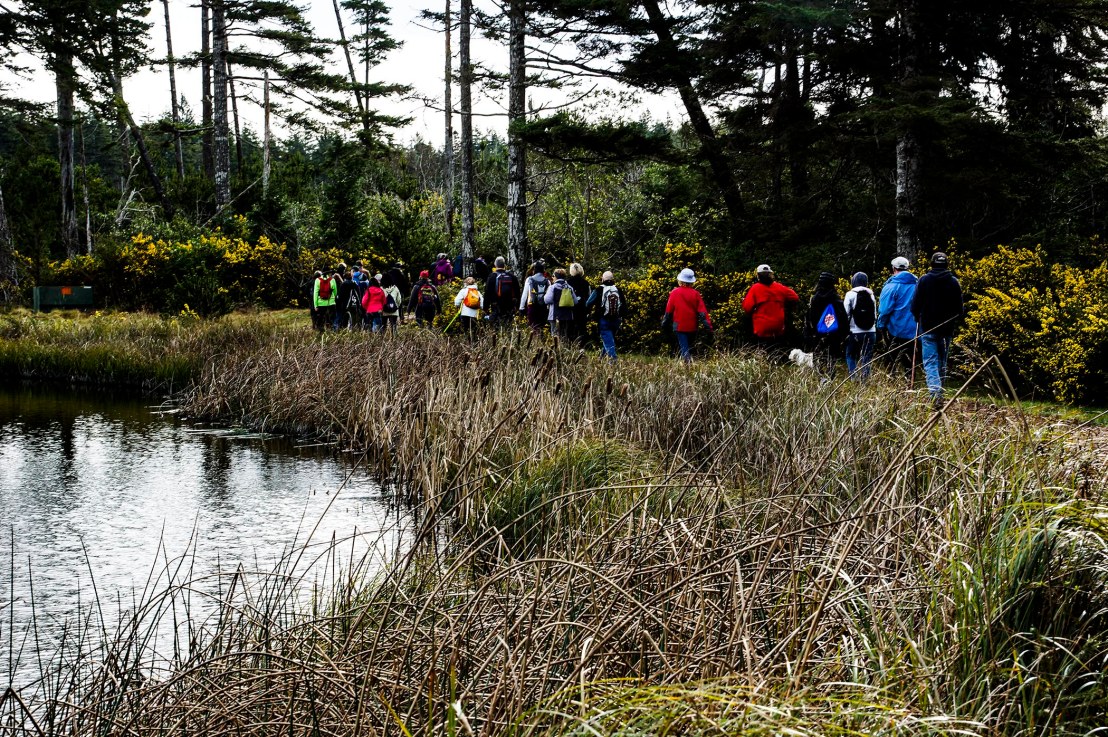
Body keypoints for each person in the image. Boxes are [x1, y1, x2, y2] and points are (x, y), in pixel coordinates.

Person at [911, 252, 964, 407]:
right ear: (946, 264)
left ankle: (936, 394)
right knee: (942, 362)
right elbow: (960, 310)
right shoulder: (954, 282)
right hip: (946, 330)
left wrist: (917, 318)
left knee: (930, 362)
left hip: (928, 329)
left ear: (932, 264)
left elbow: (915, 305)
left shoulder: (924, 280)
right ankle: (939, 392)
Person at [741, 264, 799, 359]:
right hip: (778, 327)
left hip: (762, 328)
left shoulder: (755, 288)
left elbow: (747, 308)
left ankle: (765, 363)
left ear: (758, 275)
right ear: (770, 274)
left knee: (763, 349)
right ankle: (777, 362)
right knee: (776, 349)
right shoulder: (780, 287)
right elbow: (795, 297)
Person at [876, 256, 919, 377]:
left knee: (891, 360)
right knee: (910, 362)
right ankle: (909, 386)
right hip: (913, 330)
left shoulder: (891, 286)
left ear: (893, 268)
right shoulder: (917, 285)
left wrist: (880, 325)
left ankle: (891, 383)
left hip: (894, 329)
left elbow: (884, 310)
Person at [803, 271, 847, 379]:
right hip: (833, 335)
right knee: (831, 359)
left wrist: (809, 334)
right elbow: (842, 317)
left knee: (818, 358)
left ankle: (821, 380)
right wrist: (844, 334)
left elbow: (810, 318)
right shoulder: (835, 298)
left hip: (817, 335)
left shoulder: (814, 298)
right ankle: (830, 379)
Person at [663, 268, 713, 363]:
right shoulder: (696, 294)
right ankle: (690, 367)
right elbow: (703, 313)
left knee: (684, 348)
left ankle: (687, 368)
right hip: (692, 326)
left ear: (680, 280)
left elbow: (668, 311)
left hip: (679, 326)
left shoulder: (674, 293)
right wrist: (709, 328)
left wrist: (664, 323)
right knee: (689, 347)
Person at [843, 272, 878, 380]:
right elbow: (875, 315)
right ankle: (865, 380)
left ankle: (854, 378)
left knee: (850, 355)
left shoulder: (850, 294)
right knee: (866, 357)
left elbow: (846, 314)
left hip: (854, 332)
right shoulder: (871, 295)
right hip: (870, 331)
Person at [586, 270, 626, 360]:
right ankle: (602, 358)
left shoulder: (599, 290)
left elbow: (588, 303)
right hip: (616, 319)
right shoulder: (618, 290)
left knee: (608, 340)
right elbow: (624, 305)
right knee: (609, 339)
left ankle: (613, 360)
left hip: (604, 319)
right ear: (613, 279)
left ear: (602, 279)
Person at [484, 256, 520, 329]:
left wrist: (485, 307)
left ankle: (497, 339)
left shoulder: (492, 276)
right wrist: (517, 306)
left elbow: (487, 293)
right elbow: (517, 292)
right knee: (508, 326)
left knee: (496, 327)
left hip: (496, 305)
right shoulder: (512, 276)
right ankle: (508, 339)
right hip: (509, 305)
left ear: (495, 265)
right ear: (504, 265)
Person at [544, 268, 578, 338]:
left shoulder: (552, 287)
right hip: (567, 316)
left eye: (553, 276)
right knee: (565, 334)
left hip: (554, 315)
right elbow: (575, 301)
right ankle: (564, 347)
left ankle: (557, 348)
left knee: (555, 335)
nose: (552, 277)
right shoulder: (569, 287)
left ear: (556, 277)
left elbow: (547, 300)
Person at [565, 263, 592, 344]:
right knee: (582, 329)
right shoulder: (586, 283)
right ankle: (581, 346)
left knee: (570, 328)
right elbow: (589, 297)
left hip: (570, 309)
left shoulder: (568, 282)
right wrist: (588, 310)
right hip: (582, 309)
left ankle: (570, 345)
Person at [519, 261, 550, 333]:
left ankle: (534, 342)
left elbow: (524, 294)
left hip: (532, 306)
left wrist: (521, 307)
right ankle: (541, 342)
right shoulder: (547, 281)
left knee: (533, 327)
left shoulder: (530, 279)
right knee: (541, 326)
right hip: (543, 307)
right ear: (543, 270)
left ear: (534, 270)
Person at [453, 276, 484, 341]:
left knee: (465, 329)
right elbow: (482, 303)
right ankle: (473, 342)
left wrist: (457, 306)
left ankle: (466, 342)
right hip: (474, 315)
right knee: (473, 330)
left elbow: (457, 301)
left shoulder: (463, 291)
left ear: (465, 283)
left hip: (464, 313)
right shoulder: (477, 292)